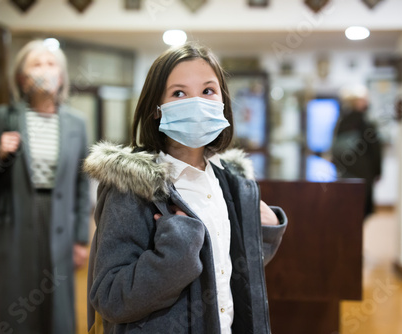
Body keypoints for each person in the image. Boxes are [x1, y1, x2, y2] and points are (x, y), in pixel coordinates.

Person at [84, 43, 287, 334]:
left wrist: (262, 234)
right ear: (157, 108)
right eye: (179, 93)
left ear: (223, 103)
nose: (197, 102)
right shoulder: (132, 187)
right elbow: (111, 297)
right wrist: (177, 251)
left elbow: (223, 270)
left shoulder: (227, 180)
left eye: (208, 91)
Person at [0, 39, 90, 334]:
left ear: (61, 76)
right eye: (36, 64)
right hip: (14, 221)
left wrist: (81, 238)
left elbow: (81, 182)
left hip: (59, 220)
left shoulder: (77, 123)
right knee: (11, 297)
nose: (45, 70)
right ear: (21, 78)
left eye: (51, 64)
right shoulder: (4, 118)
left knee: (55, 301)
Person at [332, 85, 382, 217]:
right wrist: (378, 172)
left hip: (345, 173)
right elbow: (375, 151)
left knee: (348, 210)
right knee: (361, 210)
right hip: (363, 174)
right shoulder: (366, 123)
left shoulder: (342, 122)